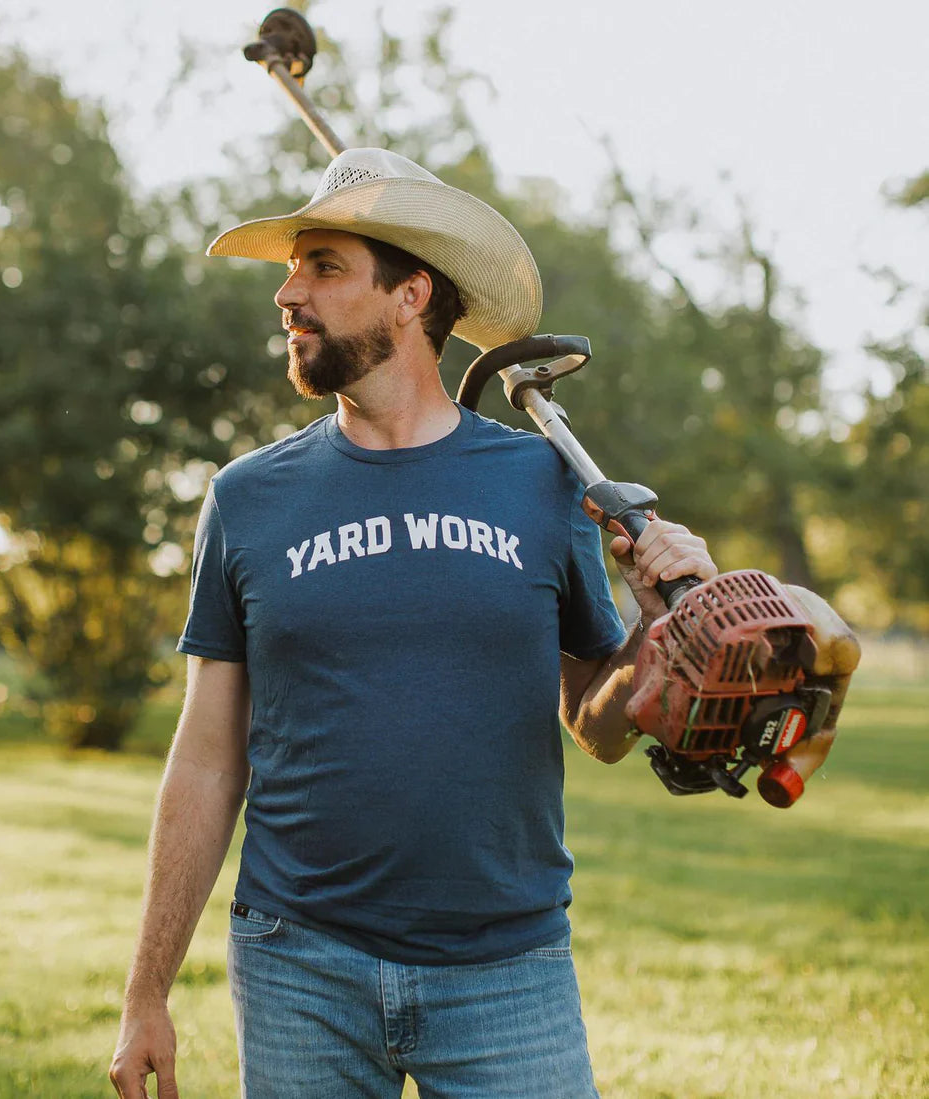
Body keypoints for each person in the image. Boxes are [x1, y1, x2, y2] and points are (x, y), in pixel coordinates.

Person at [110, 148, 721, 1099]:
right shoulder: (246, 497)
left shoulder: (544, 483)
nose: (288, 295)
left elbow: (598, 728)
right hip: (298, 964)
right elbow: (205, 758)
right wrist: (146, 990)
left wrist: (652, 636)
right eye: (292, 270)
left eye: (324, 267)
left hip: (507, 969)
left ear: (411, 295)